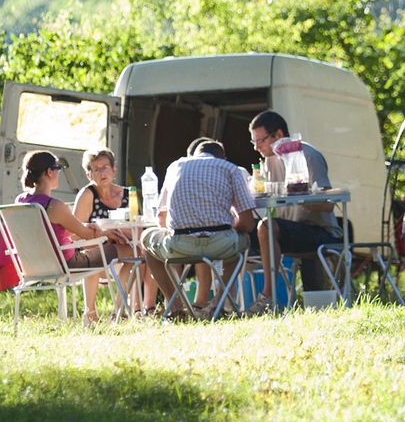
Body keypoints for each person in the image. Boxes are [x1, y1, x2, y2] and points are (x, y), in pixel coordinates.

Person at [140, 138, 258, 321]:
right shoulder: (229, 168)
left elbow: (161, 218)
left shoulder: (176, 167)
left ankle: (175, 306)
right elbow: (248, 222)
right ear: (222, 157)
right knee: (241, 241)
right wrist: (230, 229)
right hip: (221, 244)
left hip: (180, 245)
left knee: (146, 239)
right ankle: (220, 302)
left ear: (192, 156)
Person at [15, 150, 130, 324]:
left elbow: (54, 229)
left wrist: (85, 227)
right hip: (67, 263)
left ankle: (94, 313)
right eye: (58, 169)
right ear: (49, 172)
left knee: (97, 246)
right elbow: (86, 234)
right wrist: (106, 233)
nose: (59, 173)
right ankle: (117, 312)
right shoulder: (54, 206)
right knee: (128, 250)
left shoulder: (21, 201)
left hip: (31, 265)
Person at [246, 109, 337, 314]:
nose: (257, 147)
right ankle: (222, 302)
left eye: (260, 141)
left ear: (278, 135)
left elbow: (328, 203)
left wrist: (301, 197)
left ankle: (268, 297)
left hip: (318, 230)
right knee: (243, 230)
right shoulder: (268, 161)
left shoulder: (307, 154)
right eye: (254, 142)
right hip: (289, 229)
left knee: (266, 226)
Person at [72, 148, 152, 316]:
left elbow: (137, 227)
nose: (102, 172)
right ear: (89, 175)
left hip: (122, 246)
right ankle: (93, 312)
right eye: (96, 169)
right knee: (104, 251)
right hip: (95, 251)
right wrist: (103, 231)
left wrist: (122, 232)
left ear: (114, 170)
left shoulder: (127, 194)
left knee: (140, 253)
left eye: (105, 167)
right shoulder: (88, 195)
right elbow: (73, 232)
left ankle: (122, 309)